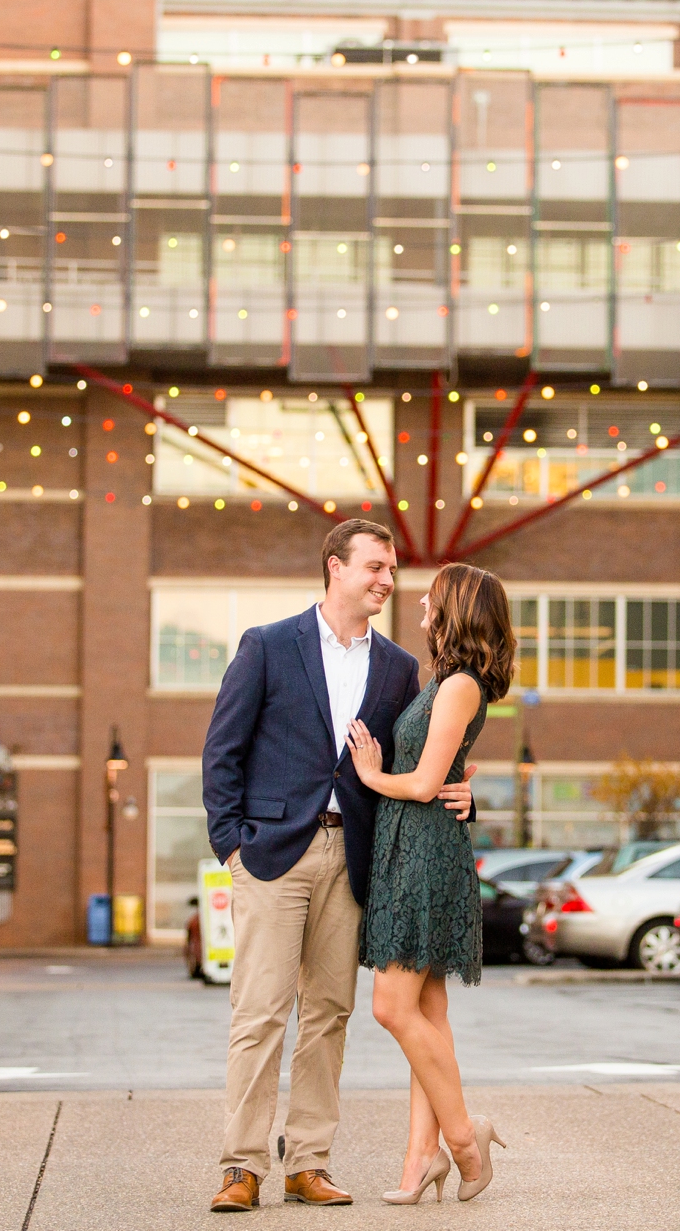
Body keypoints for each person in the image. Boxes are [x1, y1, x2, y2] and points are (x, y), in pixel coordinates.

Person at [201, 520, 475, 1213]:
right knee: (259, 1012)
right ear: (336, 567)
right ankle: (242, 1165)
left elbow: (420, 758)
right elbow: (221, 751)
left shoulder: (396, 667)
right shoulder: (267, 645)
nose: (387, 580)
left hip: (355, 858)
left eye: (390, 570)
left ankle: (309, 1162)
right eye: (376, 567)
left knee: (329, 1013)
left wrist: (465, 790)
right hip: (270, 855)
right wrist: (232, 844)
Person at [346, 562, 516, 1204]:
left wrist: (370, 773)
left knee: (391, 1006)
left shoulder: (462, 686)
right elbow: (439, 777)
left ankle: (466, 1138)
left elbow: (421, 785)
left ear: (457, 610)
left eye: (432, 596)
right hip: (406, 848)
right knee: (427, 1011)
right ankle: (421, 1160)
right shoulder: (443, 681)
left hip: (424, 855)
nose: (420, 600)